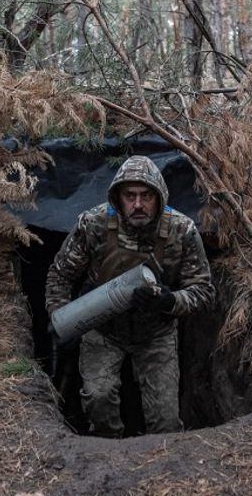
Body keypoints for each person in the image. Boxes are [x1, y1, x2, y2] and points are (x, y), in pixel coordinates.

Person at [46, 155, 214, 437]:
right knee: (98, 400)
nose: (138, 205)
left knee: (166, 423)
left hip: (156, 333)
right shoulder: (94, 225)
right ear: (118, 197)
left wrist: (169, 301)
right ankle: (109, 459)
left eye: (146, 196)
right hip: (103, 330)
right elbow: (60, 274)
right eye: (130, 196)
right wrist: (62, 317)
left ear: (159, 197)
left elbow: (203, 290)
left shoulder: (181, 230)